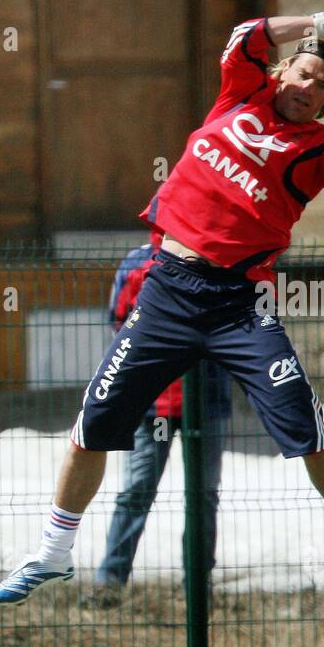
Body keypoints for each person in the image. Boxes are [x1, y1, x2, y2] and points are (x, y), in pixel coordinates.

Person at [0, 3, 324, 605]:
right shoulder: (236, 98)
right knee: (91, 426)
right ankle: (54, 553)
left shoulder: (318, 146)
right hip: (167, 292)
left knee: (308, 430)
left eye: (323, 86)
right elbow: (245, 38)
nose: (310, 87)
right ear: (281, 75)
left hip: (238, 308)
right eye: (303, 74)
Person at [90, 239, 232, 603]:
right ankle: (109, 582)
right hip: (151, 403)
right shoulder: (138, 262)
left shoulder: (225, 258)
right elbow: (118, 325)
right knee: (137, 490)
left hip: (208, 400)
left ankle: (198, 587)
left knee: (204, 495)